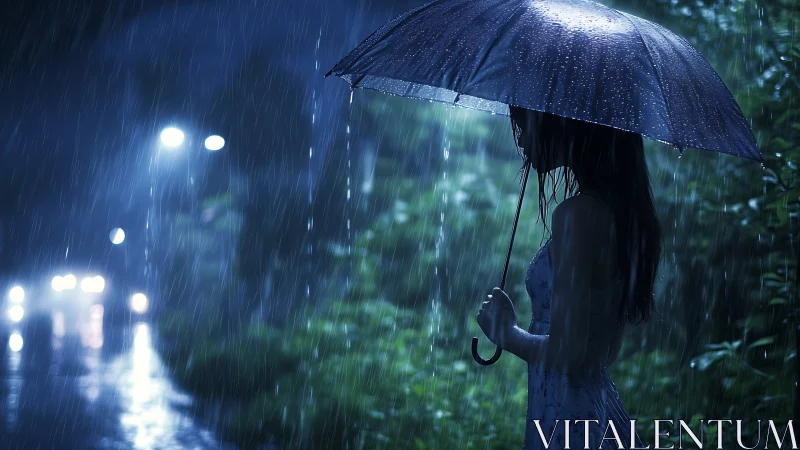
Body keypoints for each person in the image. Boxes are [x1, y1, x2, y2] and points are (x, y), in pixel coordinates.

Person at [476, 106, 662, 449]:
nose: (521, 140)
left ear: (561, 126)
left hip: (570, 424)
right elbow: (605, 353)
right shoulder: (618, 216)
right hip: (593, 413)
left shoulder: (577, 216)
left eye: (523, 125)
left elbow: (571, 353)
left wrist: (506, 333)